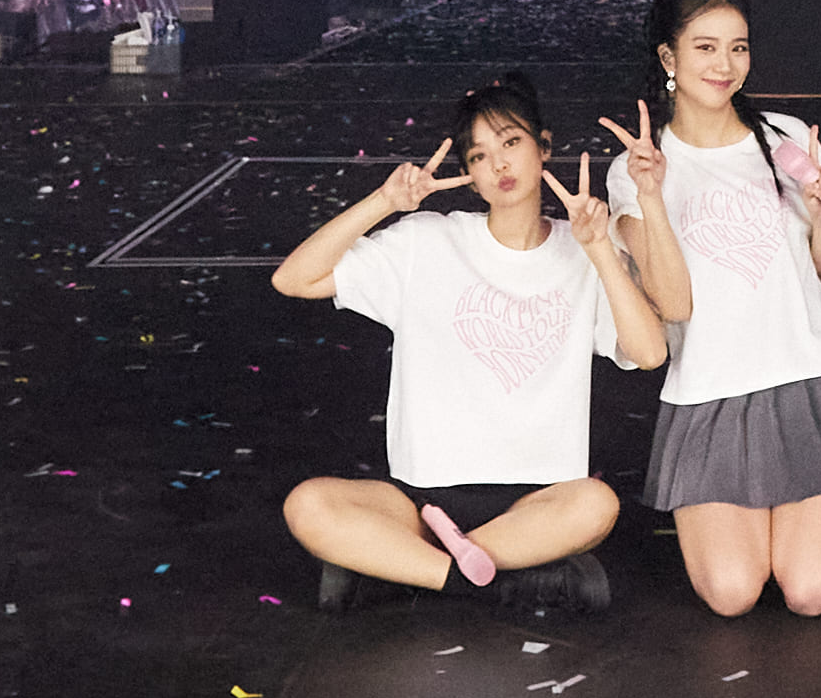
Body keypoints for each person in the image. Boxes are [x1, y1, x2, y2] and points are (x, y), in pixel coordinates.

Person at [271, 73, 668, 612]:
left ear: (543, 147)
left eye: (511, 143)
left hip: (537, 501)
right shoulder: (426, 241)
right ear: (469, 175)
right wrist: (384, 201)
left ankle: (413, 568)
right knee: (309, 505)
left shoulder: (584, 250)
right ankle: (482, 577)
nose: (500, 164)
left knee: (596, 504)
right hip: (420, 501)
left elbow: (649, 354)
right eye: (479, 156)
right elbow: (293, 280)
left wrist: (600, 250)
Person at [603, 0, 821, 618]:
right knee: (732, 593)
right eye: (705, 47)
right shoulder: (638, 167)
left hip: (813, 377)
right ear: (668, 58)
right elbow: (671, 302)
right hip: (710, 391)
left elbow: (820, 272)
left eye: (738, 48)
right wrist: (651, 196)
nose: (724, 65)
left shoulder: (784, 135)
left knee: (811, 592)